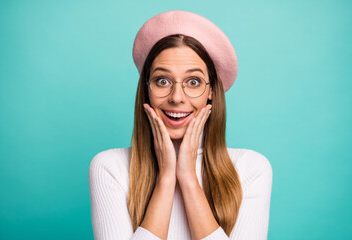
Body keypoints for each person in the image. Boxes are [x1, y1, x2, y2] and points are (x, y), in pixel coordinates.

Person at [89, 10, 273, 240]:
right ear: (146, 89)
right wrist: (166, 178)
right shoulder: (110, 168)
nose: (177, 97)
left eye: (193, 82)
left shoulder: (250, 169)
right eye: (162, 81)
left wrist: (187, 177)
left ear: (211, 92)